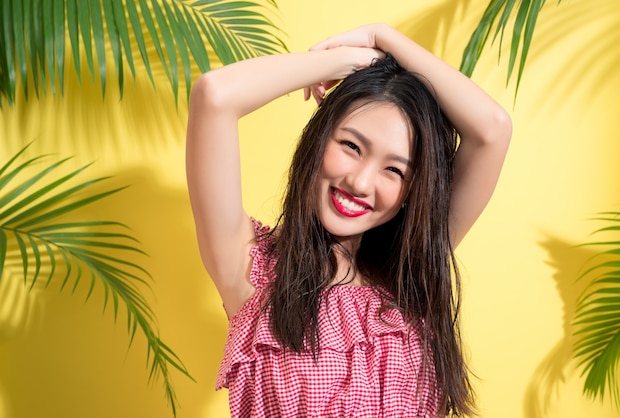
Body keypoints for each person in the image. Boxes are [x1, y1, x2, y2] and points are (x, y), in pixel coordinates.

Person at [186, 23, 511, 418]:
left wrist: (383, 37)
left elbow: (492, 129)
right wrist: (352, 60)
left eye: (395, 170)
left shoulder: (409, 275)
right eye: (351, 146)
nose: (359, 182)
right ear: (320, 138)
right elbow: (214, 96)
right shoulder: (253, 269)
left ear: (413, 190)